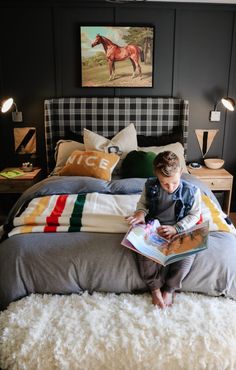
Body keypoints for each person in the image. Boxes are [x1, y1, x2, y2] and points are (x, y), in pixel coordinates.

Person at [125, 151, 201, 309]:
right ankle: (155, 288)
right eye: (164, 183)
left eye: (174, 182)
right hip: (154, 228)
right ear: (156, 175)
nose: (170, 187)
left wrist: (176, 228)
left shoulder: (192, 191)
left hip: (180, 229)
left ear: (180, 172)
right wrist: (140, 214)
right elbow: (143, 205)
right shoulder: (150, 185)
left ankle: (169, 289)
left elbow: (194, 215)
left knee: (188, 255)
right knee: (141, 249)